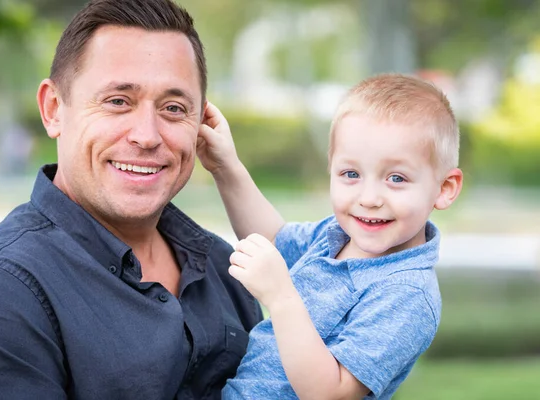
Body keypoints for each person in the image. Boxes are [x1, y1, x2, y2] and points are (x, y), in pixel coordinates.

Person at [0, 0, 262, 398]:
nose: (146, 135)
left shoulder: (224, 265)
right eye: (118, 101)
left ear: (201, 123)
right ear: (54, 109)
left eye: (174, 108)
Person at [197, 74, 463, 399]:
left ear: (444, 188)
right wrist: (226, 167)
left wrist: (281, 298)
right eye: (351, 174)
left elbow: (331, 393)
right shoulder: (336, 236)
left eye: (396, 178)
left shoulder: (407, 295)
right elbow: (274, 238)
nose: (369, 198)